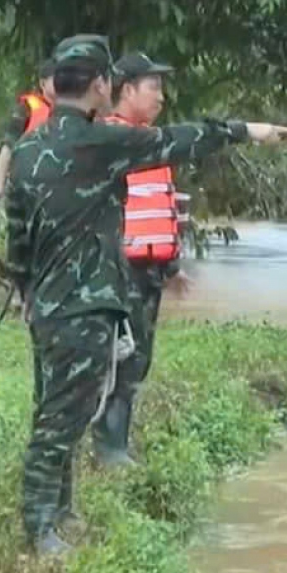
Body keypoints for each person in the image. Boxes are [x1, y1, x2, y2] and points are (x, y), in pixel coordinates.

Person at [5, 34, 287, 556]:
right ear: (99, 85)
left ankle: (59, 514)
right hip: (83, 304)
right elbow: (179, 140)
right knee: (62, 420)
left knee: (54, 407)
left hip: (47, 304)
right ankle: (39, 527)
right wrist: (245, 131)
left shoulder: (28, 148)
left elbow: (17, 234)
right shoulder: (99, 145)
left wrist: (24, 287)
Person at [94, 51, 180, 468]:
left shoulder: (148, 139)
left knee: (138, 357)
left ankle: (117, 444)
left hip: (150, 269)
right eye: (153, 87)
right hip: (121, 269)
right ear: (126, 90)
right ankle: (109, 450)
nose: (161, 97)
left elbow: (159, 206)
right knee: (121, 358)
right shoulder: (110, 141)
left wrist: (173, 266)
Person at [0, 59, 57, 201]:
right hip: (24, 180)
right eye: (56, 79)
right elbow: (8, 145)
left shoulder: (69, 110)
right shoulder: (26, 108)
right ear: (43, 83)